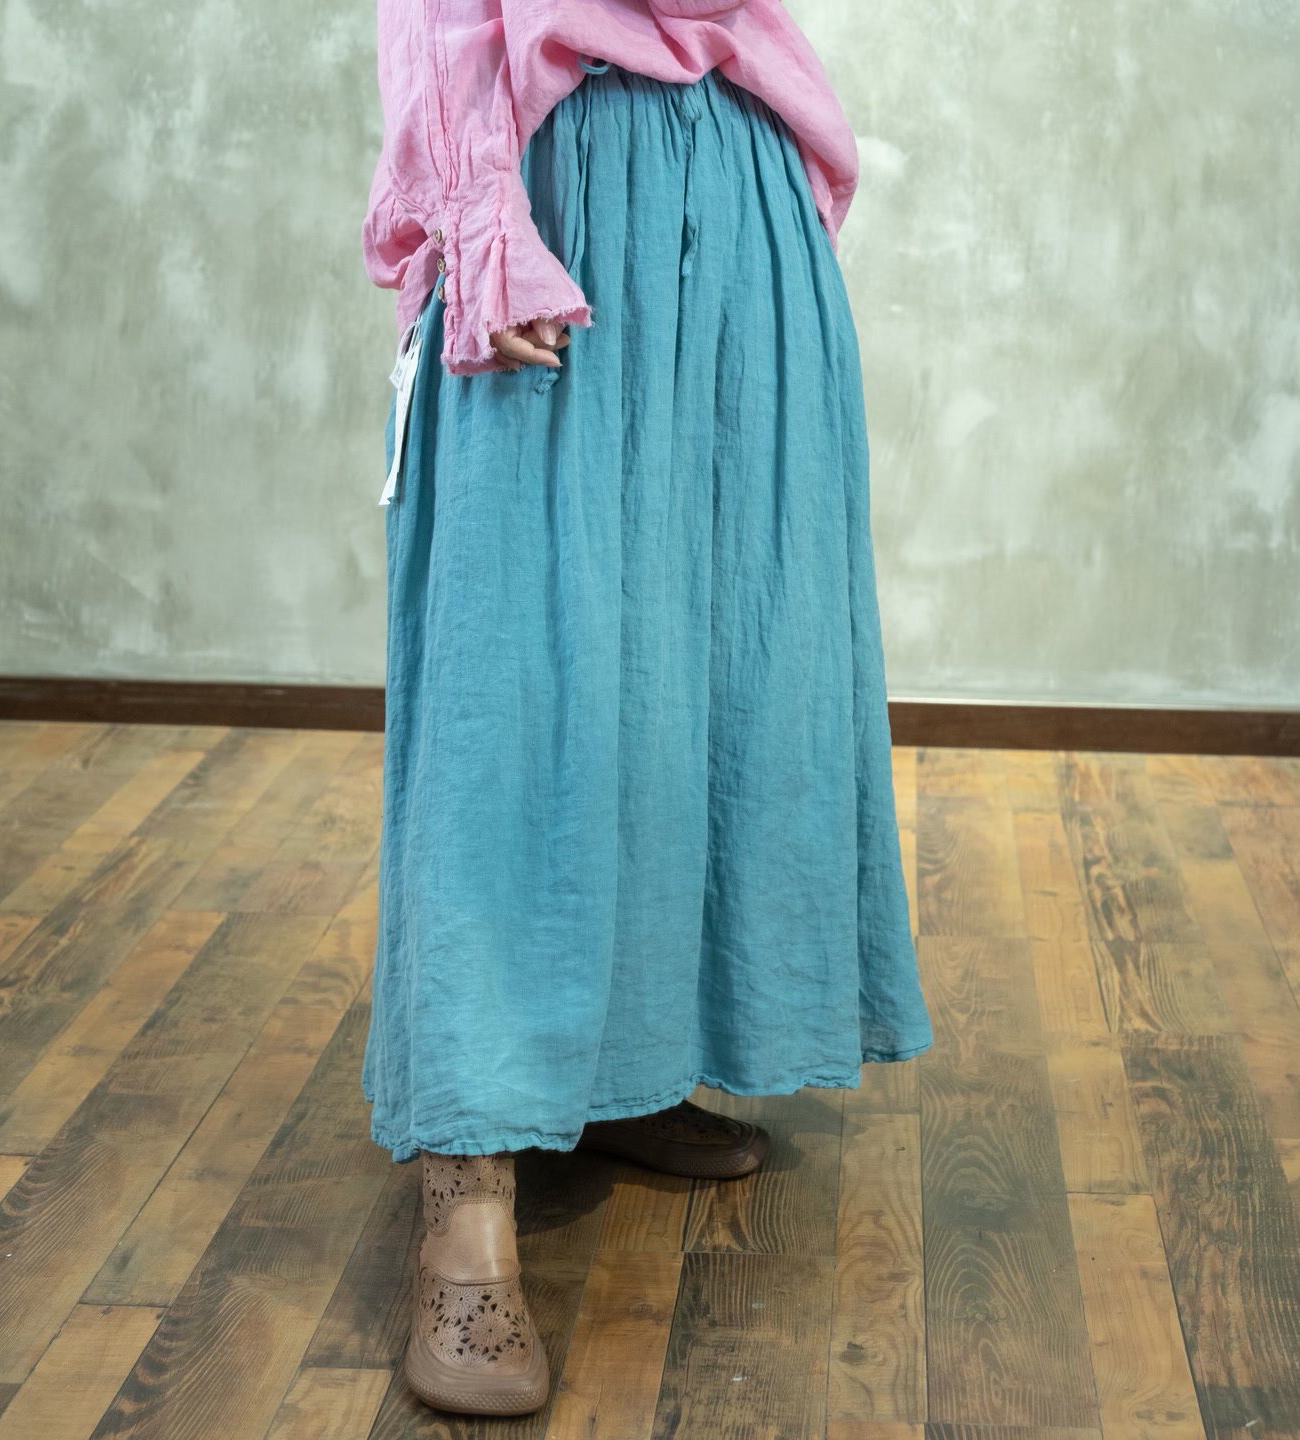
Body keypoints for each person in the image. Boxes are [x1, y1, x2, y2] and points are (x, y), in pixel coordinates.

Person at [360, 0, 934, 1417]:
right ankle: (466, 1196)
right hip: (554, 184)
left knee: (718, 669)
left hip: (737, 187)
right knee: (520, 698)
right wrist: (480, 216)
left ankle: (628, 1061)